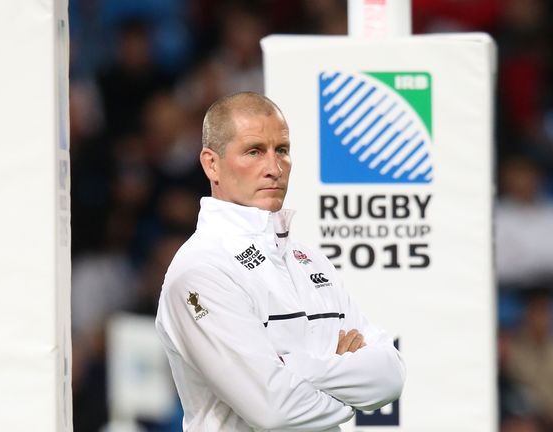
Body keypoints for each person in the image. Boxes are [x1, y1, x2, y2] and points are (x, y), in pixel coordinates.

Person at [155, 92, 406, 431]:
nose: (274, 168)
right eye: (254, 151)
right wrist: (349, 393)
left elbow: (390, 375)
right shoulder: (200, 270)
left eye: (282, 150)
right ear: (211, 164)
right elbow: (274, 410)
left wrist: (294, 366)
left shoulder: (311, 261)